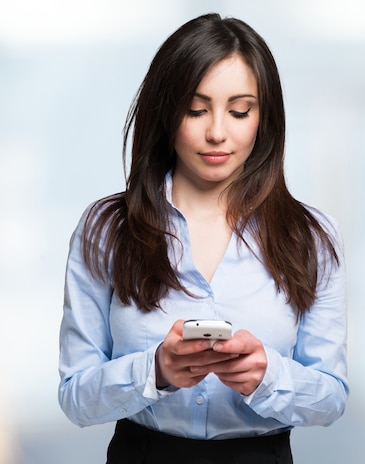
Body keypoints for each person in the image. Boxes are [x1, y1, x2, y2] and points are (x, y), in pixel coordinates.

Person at [58, 13, 348, 464]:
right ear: (165, 112)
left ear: (264, 118)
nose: (217, 132)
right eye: (195, 110)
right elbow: (76, 396)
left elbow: (332, 397)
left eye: (239, 111)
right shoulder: (106, 229)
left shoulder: (310, 236)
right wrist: (155, 370)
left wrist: (266, 375)